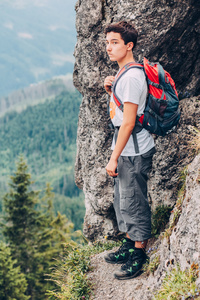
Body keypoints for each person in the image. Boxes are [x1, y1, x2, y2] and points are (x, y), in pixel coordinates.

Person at [103, 21, 156, 280]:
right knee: (123, 200)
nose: (109, 48)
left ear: (129, 45)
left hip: (133, 151)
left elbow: (129, 122)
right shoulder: (124, 74)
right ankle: (128, 242)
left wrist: (114, 158)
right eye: (107, 43)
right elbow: (122, 109)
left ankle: (139, 253)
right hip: (124, 149)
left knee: (134, 202)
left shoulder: (132, 77)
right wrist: (111, 90)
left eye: (115, 43)